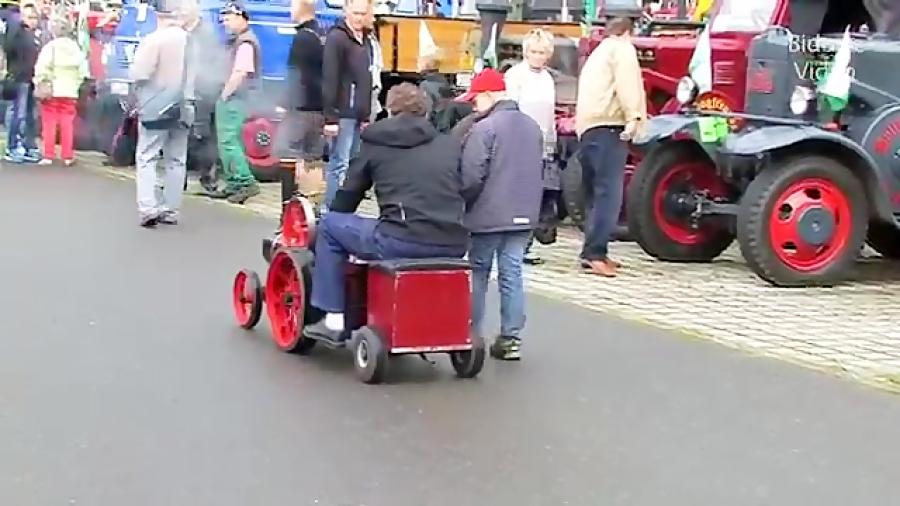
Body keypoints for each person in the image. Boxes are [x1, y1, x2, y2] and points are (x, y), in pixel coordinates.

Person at [303, 83, 468, 342]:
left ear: (390, 111)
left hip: (401, 239)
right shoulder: (448, 144)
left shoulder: (376, 142)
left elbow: (349, 196)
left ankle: (333, 318)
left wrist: (334, 215)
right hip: (453, 242)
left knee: (330, 226)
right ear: (424, 113)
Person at [457, 68, 543, 361]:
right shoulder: (532, 127)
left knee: (478, 273)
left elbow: (471, 176)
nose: (473, 106)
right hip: (524, 213)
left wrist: (462, 204)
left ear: (489, 96)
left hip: (487, 215)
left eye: (475, 100)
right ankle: (511, 339)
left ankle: (470, 335)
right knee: (513, 273)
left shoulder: (485, 129)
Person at [575, 16, 646, 277]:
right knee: (610, 194)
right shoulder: (622, 49)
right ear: (629, 30)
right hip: (609, 126)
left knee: (594, 193)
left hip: (588, 127)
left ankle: (591, 250)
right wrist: (634, 118)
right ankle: (596, 253)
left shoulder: (598, 52)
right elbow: (628, 87)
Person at [130, 0, 194, 227]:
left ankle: (148, 208)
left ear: (157, 15)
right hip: (185, 105)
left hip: (157, 105)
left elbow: (140, 73)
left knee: (147, 156)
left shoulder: (154, 40)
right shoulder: (191, 40)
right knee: (176, 159)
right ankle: (171, 209)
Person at [504, 27, 557, 265]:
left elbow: (549, 115)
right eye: (534, 51)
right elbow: (510, 109)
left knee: (535, 198)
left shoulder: (547, 79)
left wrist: (551, 144)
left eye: (542, 52)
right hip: (518, 144)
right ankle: (510, 244)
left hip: (542, 147)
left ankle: (524, 245)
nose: (538, 56)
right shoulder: (515, 76)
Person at [321, 0, 372, 211]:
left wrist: (366, 114)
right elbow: (330, 77)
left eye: (363, 13)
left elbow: (366, 79)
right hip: (342, 112)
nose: (359, 18)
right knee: (339, 163)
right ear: (345, 11)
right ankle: (331, 209)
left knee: (352, 165)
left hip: (358, 113)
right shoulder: (337, 38)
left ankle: (345, 211)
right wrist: (330, 118)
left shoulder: (365, 39)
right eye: (355, 13)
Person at [210, 2, 262, 204]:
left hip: (235, 98)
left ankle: (245, 182)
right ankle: (233, 183)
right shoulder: (241, 40)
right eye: (223, 19)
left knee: (228, 141)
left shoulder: (245, 42)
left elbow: (241, 72)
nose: (225, 23)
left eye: (229, 18)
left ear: (242, 17)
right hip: (236, 98)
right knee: (230, 141)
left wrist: (224, 94)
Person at [281, 0, 325, 209]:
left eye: (292, 5)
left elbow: (295, 75)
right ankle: (313, 204)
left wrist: (286, 104)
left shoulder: (302, 38)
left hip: (301, 108)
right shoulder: (320, 34)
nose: (290, 10)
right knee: (314, 158)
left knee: (291, 157)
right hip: (319, 106)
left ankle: (291, 209)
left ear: (301, 8)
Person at [182, 0, 226, 193]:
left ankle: (207, 177)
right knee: (186, 135)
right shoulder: (185, 32)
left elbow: (206, 62)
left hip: (203, 91)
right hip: (188, 89)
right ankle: (180, 177)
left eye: (184, 10)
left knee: (202, 135)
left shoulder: (205, 33)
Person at [32, 14, 87, 166]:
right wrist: (76, 83)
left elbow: (41, 68)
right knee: (67, 123)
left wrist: (40, 82)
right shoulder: (76, 48)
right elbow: (83, 70)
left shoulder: (50, 47)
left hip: (53, 89)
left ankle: (48, 155)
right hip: (70, 91)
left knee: (49, 123)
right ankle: (67, 156)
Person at [3, 3, 41, 163]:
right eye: (28, 17)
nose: (32, 21)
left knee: (30, 115)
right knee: (17, 113)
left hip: (33, 78)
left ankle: (28, 145)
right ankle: (12, 146)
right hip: (19, 78)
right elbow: (8, 48)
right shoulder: (16, 33)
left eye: (34, 18)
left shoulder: (36, 36)